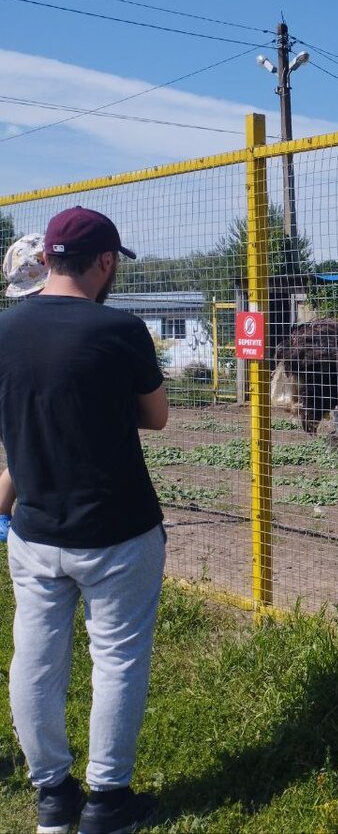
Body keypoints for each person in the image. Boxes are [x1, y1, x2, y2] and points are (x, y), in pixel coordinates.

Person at [0, 207, 168, 834]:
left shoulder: (4, 330)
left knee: (35, 661)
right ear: (103, 263)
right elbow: (157, 417)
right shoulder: (122, 330)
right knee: (117, 661)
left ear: (45, 258)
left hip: (35, 529)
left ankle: (51, 796)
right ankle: (106, 803)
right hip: (118, 530)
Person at [0, 232, 50, 545]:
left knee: (22, 458)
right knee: (26, 457)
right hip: (29, 404)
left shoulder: (13, 321)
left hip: (17, 404)